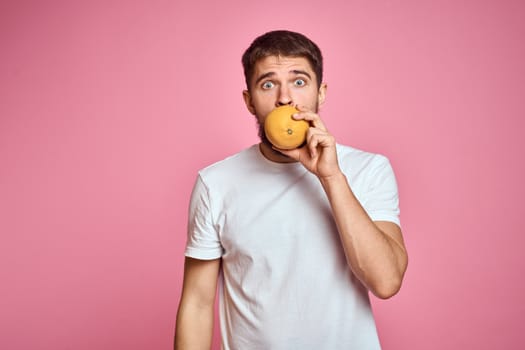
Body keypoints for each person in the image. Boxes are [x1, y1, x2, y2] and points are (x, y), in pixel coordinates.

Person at [175, 30, 408, 349]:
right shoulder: (215, 183)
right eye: (268, 84)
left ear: (320, 93)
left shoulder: (368, 170)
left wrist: (330, 176)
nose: (285, 98)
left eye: (299, 82)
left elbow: (386, 281)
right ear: (249, 102)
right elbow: (198, 304)